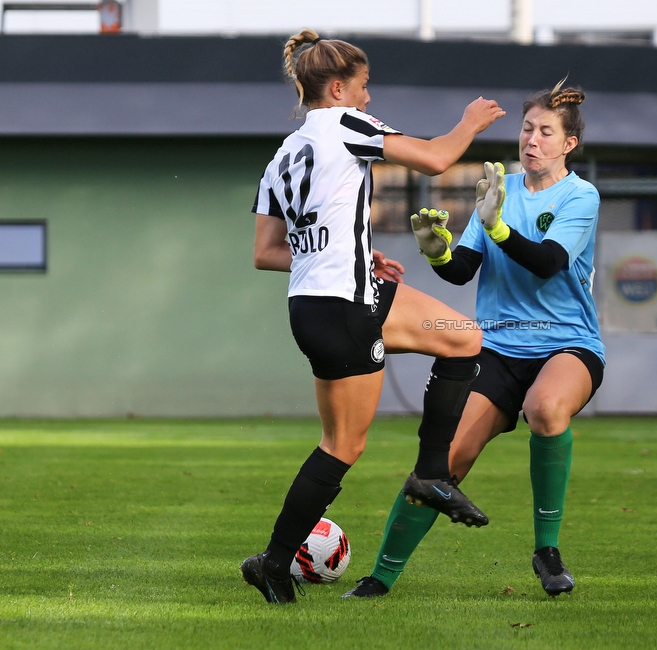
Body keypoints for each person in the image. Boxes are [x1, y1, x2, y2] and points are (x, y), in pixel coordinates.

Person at [241, 29, 506, 604]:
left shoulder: (282, 155)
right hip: (347, 308)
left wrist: (348, 253)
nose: (367, 98)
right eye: (363, 88)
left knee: (463, 338)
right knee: (342, 445)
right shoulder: (347, 124)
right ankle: (274, 562)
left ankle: (432, 475)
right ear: (337, 88)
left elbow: (265, 253)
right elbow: (437, 157)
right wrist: (471, 122)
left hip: (321, 301)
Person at [344, 80, 604, 599]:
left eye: (545, 132)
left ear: (568, 144)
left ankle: (546, 551)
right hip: (500, 349)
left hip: (567, 345)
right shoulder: (497, 186)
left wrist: (500, 227)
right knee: (443, 462)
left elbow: (550, 263)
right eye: (527, 128)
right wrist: (438, 250)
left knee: (546, 408)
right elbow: (463, 271)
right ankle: (381, 577)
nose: (532, 139)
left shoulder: (581, 196)